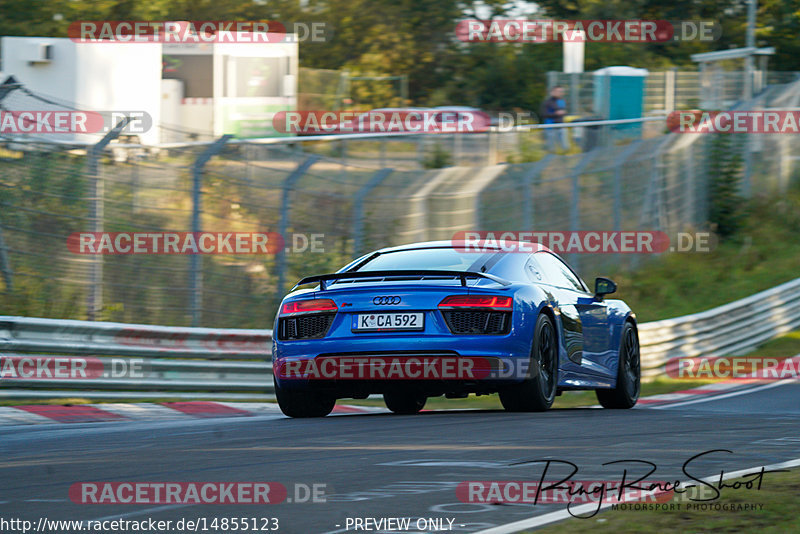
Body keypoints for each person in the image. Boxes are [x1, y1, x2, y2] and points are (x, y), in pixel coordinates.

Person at [541, 85, 568, 151]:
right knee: (551, 148)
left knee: (564, 147)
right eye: (557, 91)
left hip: (561, 127)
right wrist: (555, 114)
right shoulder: (547, 102)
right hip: (551, 127)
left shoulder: (562, 101)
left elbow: (563, 112)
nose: (560, 93)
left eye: (561, 91)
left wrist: (563, 113)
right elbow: (543, 114)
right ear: (552, 92)